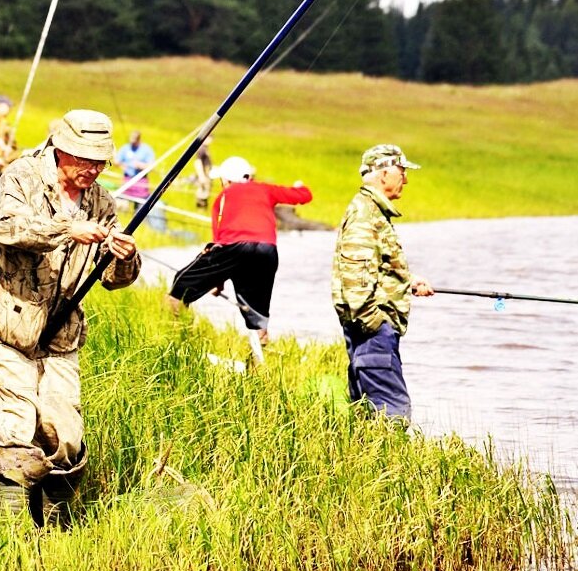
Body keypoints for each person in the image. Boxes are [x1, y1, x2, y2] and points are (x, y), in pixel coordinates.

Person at [0, 109, 140, 526]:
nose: (94, 169)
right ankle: (5, 530)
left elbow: (115, 280)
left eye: (100, 161)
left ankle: (53, 526)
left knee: (65, 434)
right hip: (7, 322)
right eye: (86, 159)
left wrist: (125, 258)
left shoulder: (101, 201)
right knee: (17, 427)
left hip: (60, 331)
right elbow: (7, 229)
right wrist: (66, 229)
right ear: (62, 150)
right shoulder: (22, 176)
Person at [331, 144, 434, 419]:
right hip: (372, 332)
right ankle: (390, 462)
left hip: (370, 332)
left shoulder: (371, 211)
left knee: (369, 416)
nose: (406, 179)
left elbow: (372, 266)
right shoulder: (366, 215)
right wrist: (378, 324)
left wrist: (406, 281)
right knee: (393, 415)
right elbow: (355, 280)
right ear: (383, 172)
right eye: (402, 171)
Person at [166, 155, 312, 348]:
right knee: (256, 315)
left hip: (234, 247)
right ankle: (260, 362)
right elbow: (304, 196)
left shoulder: (222, 198)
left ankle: (175, 342)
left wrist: (217, 282)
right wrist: (301, 186)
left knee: (179, 287)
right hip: (267, 252)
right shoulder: (266, 189)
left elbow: (219, 242)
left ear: (226, 180)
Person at [115, 130, 155, 204]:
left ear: (139, 139)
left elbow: (151, 166)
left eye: (134, 142)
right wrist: (122, 165)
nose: (132, 144)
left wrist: (141, 165)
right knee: (121, 202)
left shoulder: (147, 150)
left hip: (141, 181)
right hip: (127, 180)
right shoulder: (126, 148)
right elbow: (117, 162)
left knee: (140, 205)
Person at [193, 136, 213, 209]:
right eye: (210, 138)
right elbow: (197, 162)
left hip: (207, 174)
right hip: (204, 175)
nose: (211, 140)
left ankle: (203, 207)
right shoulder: (202, 149)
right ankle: (200, 207)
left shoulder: (205, 148)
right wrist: (201, 176)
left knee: (206, 192)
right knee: (203, 192)